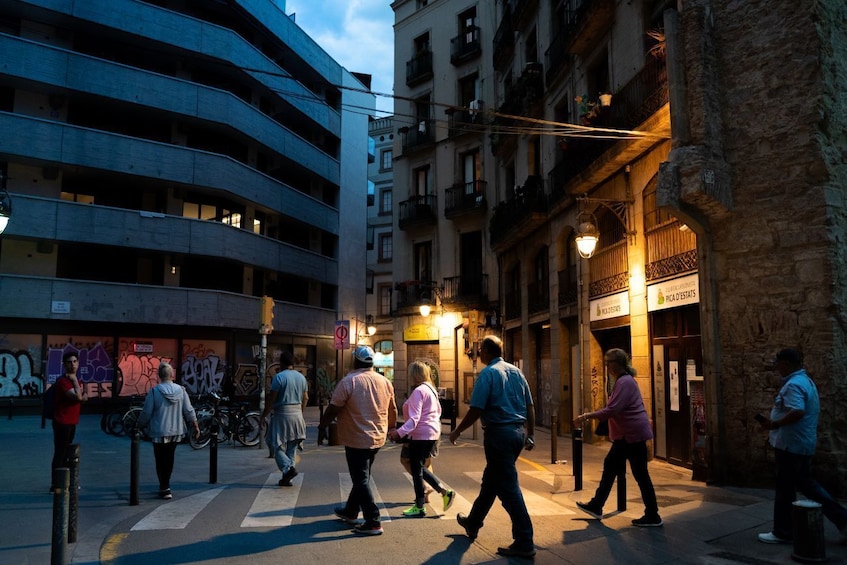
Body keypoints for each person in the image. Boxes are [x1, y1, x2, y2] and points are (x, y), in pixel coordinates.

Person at [448, 335, 536, 559]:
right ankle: (473, 521)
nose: (479, 355)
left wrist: (458, 430)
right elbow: (529, 406)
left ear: (486, 352)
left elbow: (476, 408)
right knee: (491, 481)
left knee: (508, 488)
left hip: (499, 435)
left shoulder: (488, 374)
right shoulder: (517, 372)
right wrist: (531, 434)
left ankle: (524, 539)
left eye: (480, 351)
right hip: (517, 433)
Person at [756, 348, 847, 545]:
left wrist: (774, 424)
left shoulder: (793, 385)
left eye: (778, 363)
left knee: (785, 490)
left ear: (786, 364)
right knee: (807, 485)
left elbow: (797, 411)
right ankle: (843, 520)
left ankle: (783, 531)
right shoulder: (806, 381)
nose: (777, 367)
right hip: (801, 443)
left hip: (791, 446)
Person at [574, 348, 662, 527]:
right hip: (629, 435)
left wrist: (586, 416)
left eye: (608, 362)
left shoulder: (625, 382)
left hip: (631, 436)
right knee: (621, 470)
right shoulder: (624, 381)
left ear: (617, 364)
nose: (606, 366)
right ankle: (598, 505)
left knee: (634, 473)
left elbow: (612, 410)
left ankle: (651, 515)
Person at [318, 345, 397, 535]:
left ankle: (373, 520)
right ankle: (351, 511)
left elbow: (333, 408)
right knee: (362, 476)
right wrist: (392, 428)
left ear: (355, 361)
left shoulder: (349, 382)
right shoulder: (384, 381)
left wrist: (322, 427)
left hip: (356, 438)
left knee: (360, 479)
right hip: (377, 438)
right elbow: (393, 409)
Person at [388, 361, 455, 516]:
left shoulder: (419, 391)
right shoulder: (431, 389)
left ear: (414, 374)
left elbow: (414, 419)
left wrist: (400, 432)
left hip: (420, 434)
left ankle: (422, 504)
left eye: (410, 373)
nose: (408, 376)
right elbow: (437, 411)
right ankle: (440, 492)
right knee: (419, 467)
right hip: (430, 433)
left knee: (417, 469)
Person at [137, 361, 200, 500]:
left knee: (160, 459)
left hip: (159, 431)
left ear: (159, 375)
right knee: (169, 458)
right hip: (176, 431)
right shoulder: (181, 391)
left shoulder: (154, 391)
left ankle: (163, 486)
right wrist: (195, 425)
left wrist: (139, 425)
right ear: (172, 375)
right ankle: (166, 486)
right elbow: (188, 410)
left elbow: (146, 412)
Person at [262, 350, 308, 486]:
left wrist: (263, 416)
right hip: (297, 414)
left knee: (275, 444)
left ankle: (288, 469)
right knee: (291, 448)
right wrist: (301, 411)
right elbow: (306, 398)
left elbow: (271, 400)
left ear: (281, 363)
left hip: (282, 415)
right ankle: (287, 478)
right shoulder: (301, 378)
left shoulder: (279, 377)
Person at [50, 351, 89, 491]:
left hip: (72, 422)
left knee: (68, 453)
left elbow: (85, 396)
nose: (72, 364)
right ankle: (56, 485)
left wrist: (80, 390)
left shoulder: (77, 380)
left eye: (74, 361)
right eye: (69, 362)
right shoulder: (63, 382)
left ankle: (65, 482)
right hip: (62, 422)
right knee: (61, 452)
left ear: (78, 363)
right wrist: (74, 381)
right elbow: (79, 397)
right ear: (64, 364)